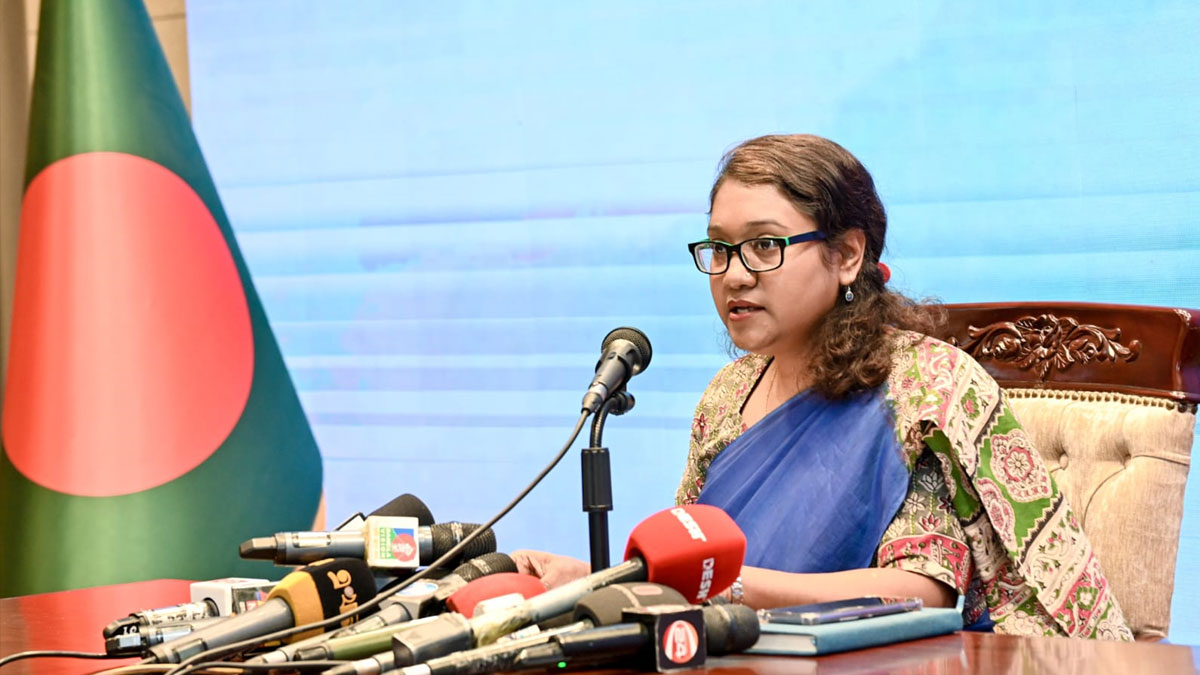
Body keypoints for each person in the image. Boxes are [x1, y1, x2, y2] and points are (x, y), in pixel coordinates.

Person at [514, 134, 1131, 640]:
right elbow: (688, 559)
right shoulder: (725, 398)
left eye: (764, 245)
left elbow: (920, 592)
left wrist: (724, 587)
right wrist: (590, 581)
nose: (734, 275)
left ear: (847, 256)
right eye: (719, 248)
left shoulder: (921, 389)